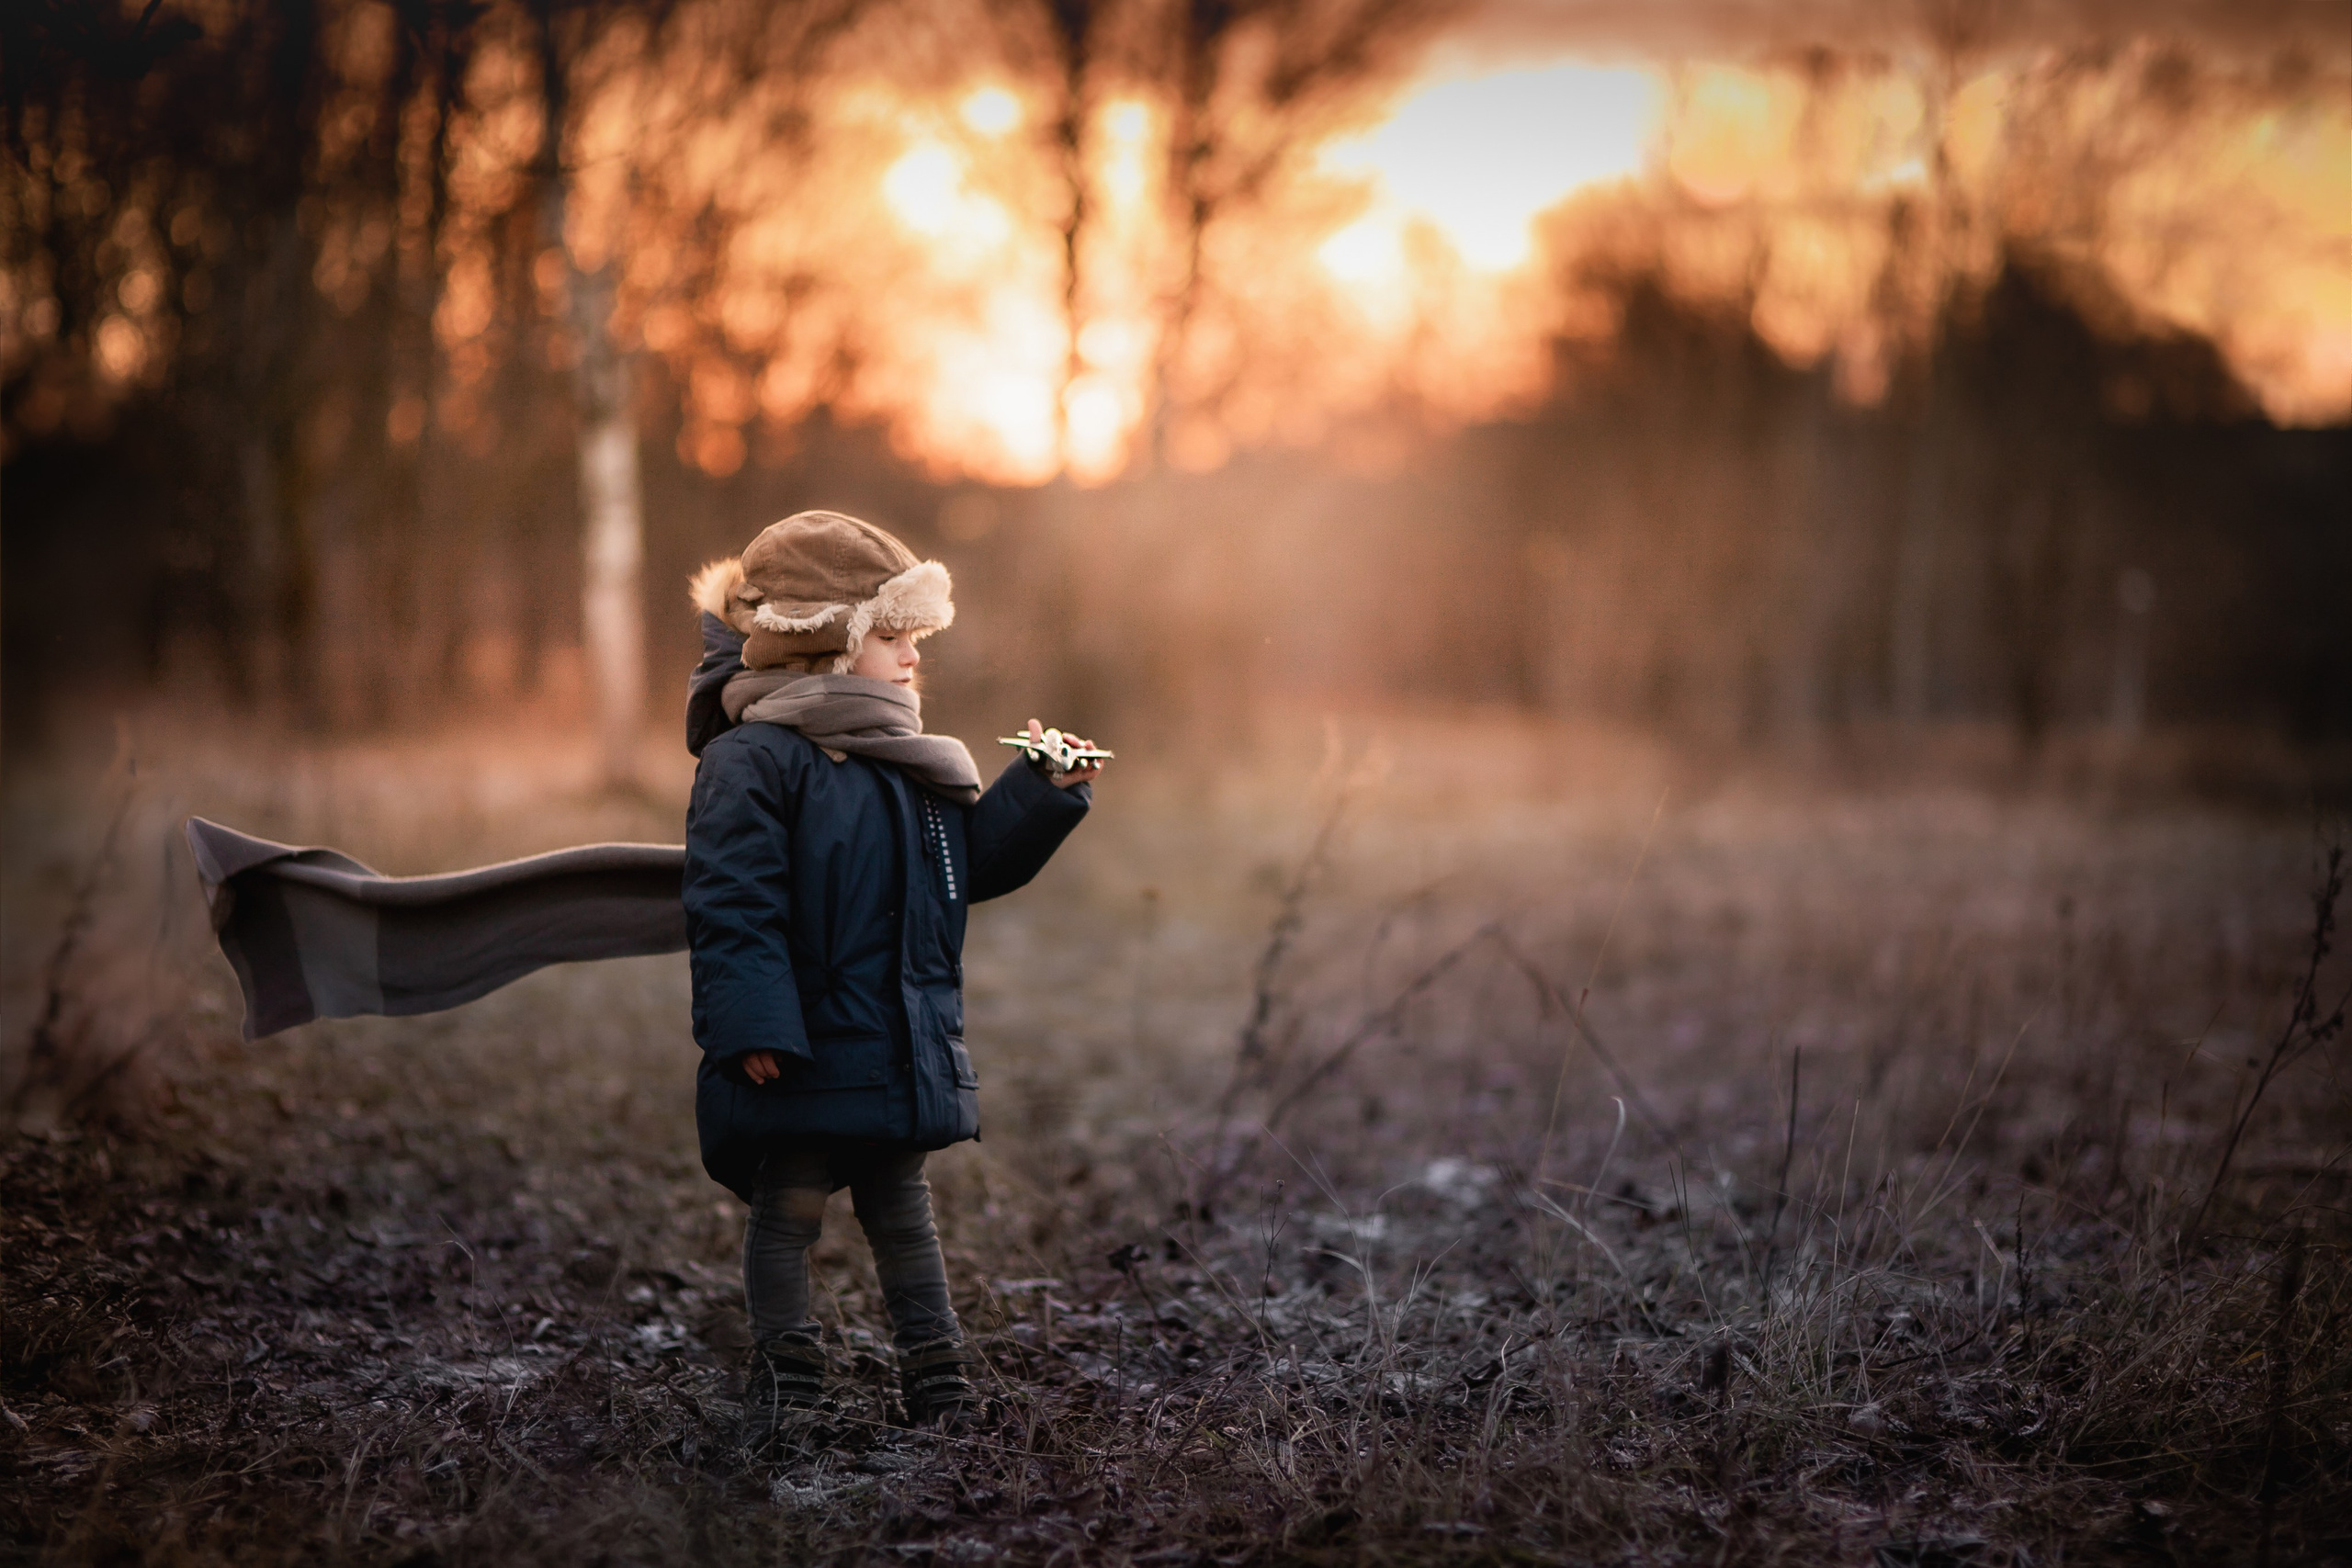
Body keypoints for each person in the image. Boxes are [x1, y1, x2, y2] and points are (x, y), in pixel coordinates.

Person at [680, 510, 1100, 1451]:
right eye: (896, 637)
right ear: (829, 642)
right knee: (787, 1216)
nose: (914, 661)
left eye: (917, 641)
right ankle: (789, 1378)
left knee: (906, 1220)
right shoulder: (752, 761)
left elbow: (966, 873)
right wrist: (752, 1027)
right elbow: (732, 902)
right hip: (798, 1050)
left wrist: (1040, 789)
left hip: (894, 1043)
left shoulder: (912, 763)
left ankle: (939, 1380)